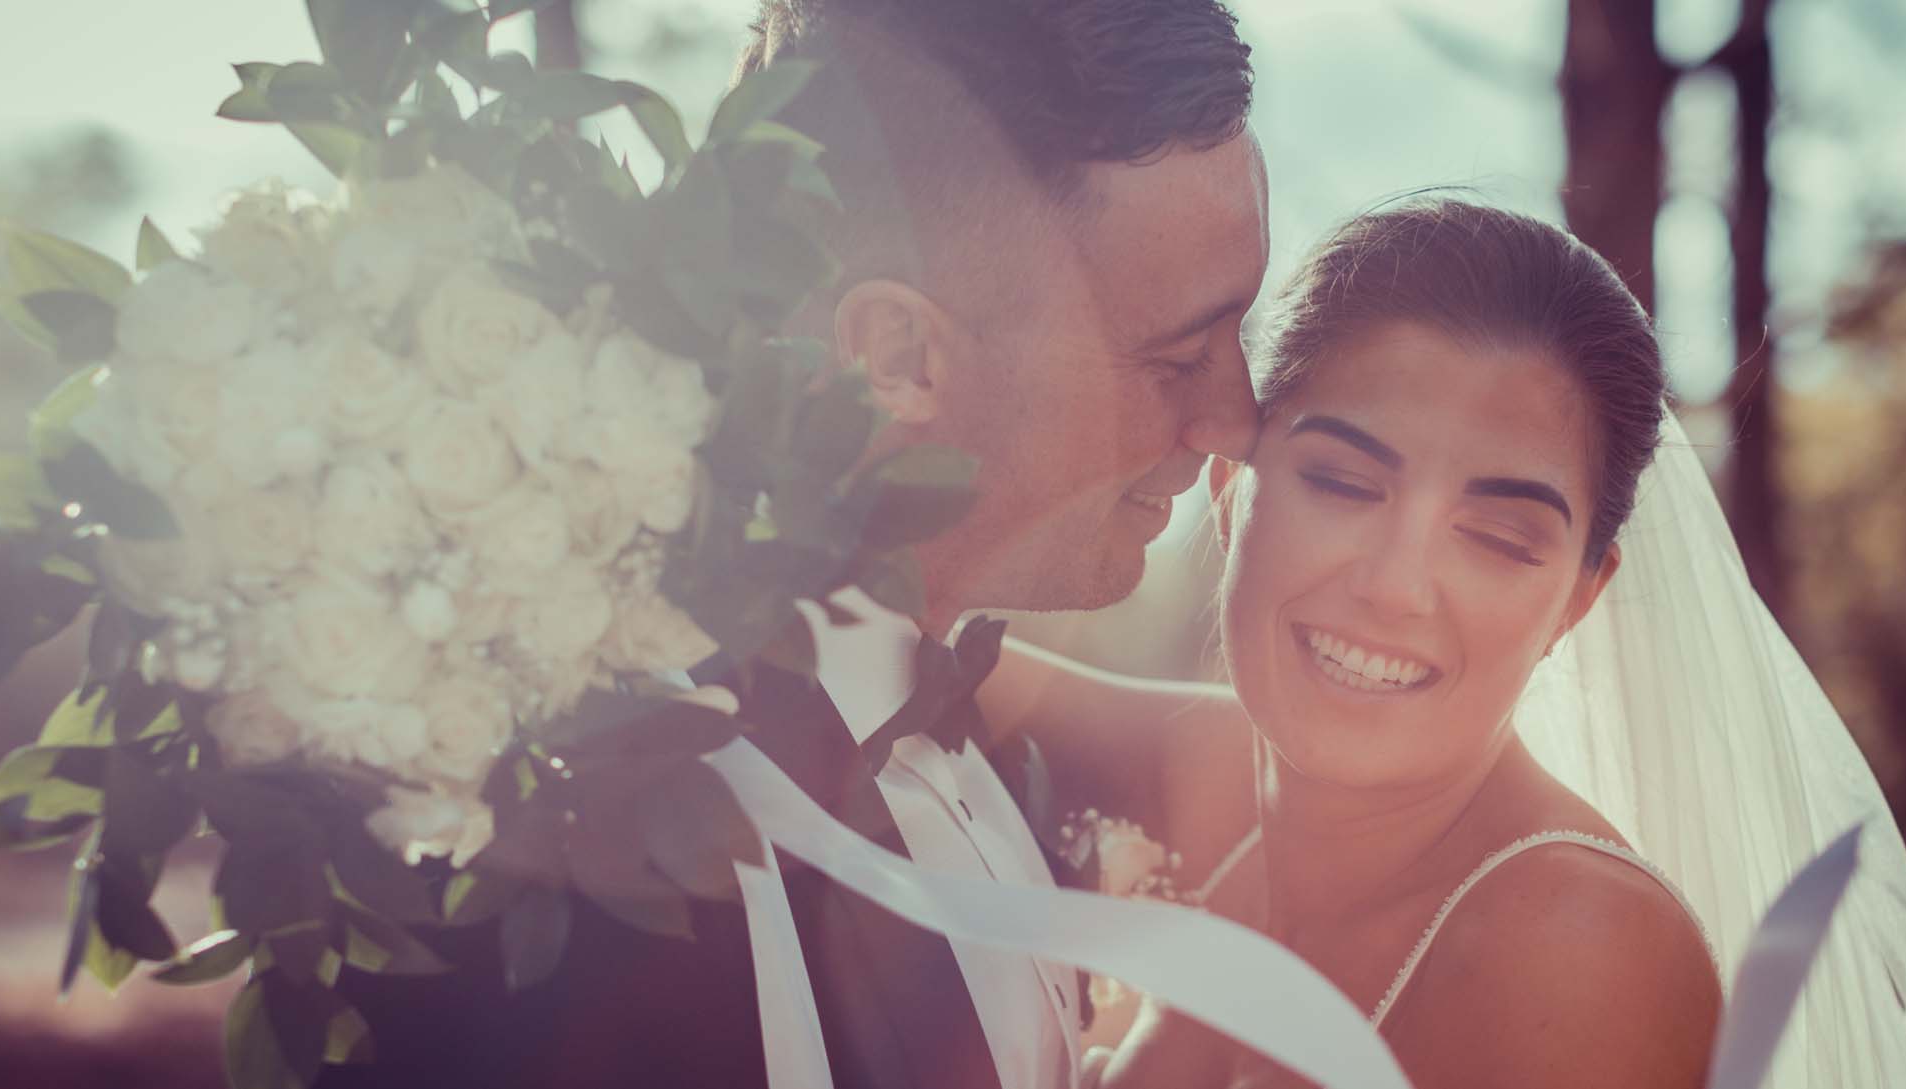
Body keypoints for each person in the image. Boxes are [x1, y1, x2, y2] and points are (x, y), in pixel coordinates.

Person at [324, 1, 1269, 1086]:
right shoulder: (554, 839)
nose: (1237, 421)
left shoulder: (996, 764)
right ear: (898, 355)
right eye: (1176, 357)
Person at [981, 200, 1906, 1089]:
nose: (1395, 586)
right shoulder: (1226, 781)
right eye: (1343, 484)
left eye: (1498, 539)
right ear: (1235, 495)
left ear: (1577, 602)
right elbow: (916, 651)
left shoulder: (1571, 953)